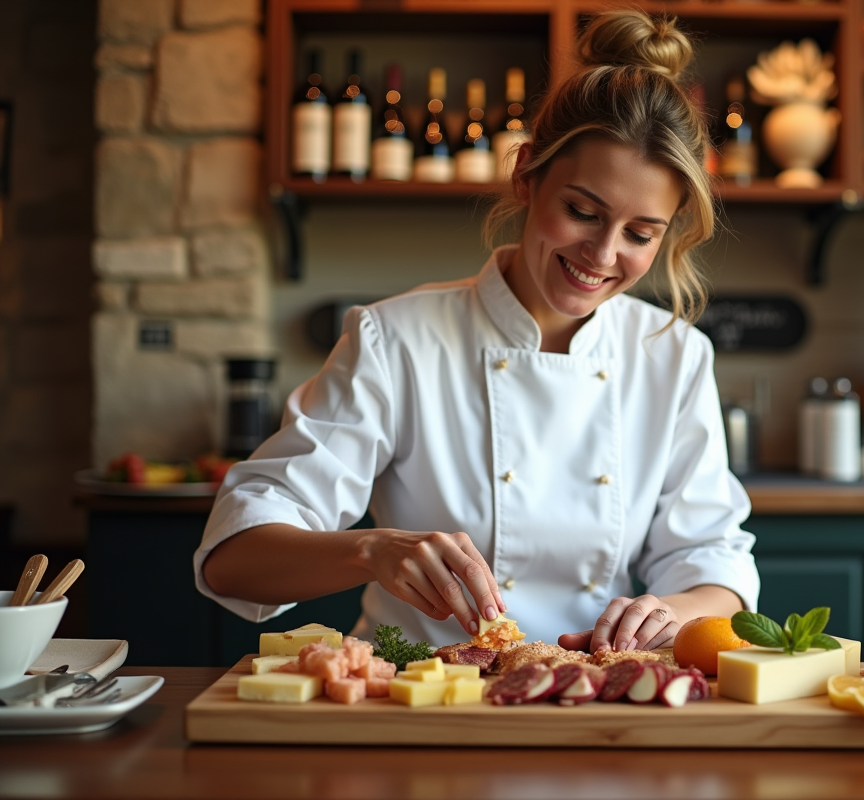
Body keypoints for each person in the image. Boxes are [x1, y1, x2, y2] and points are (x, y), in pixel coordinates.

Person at [195, 9, 759, 655]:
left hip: (594, 695)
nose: (603, 254)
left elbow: (714, 561)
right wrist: (372, 551)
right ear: (526, 177)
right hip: (418, 698)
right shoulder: (395, 338)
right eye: (582, 211)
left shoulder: (674, 355)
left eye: (640, 233)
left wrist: (671, 609)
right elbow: (232, 559)